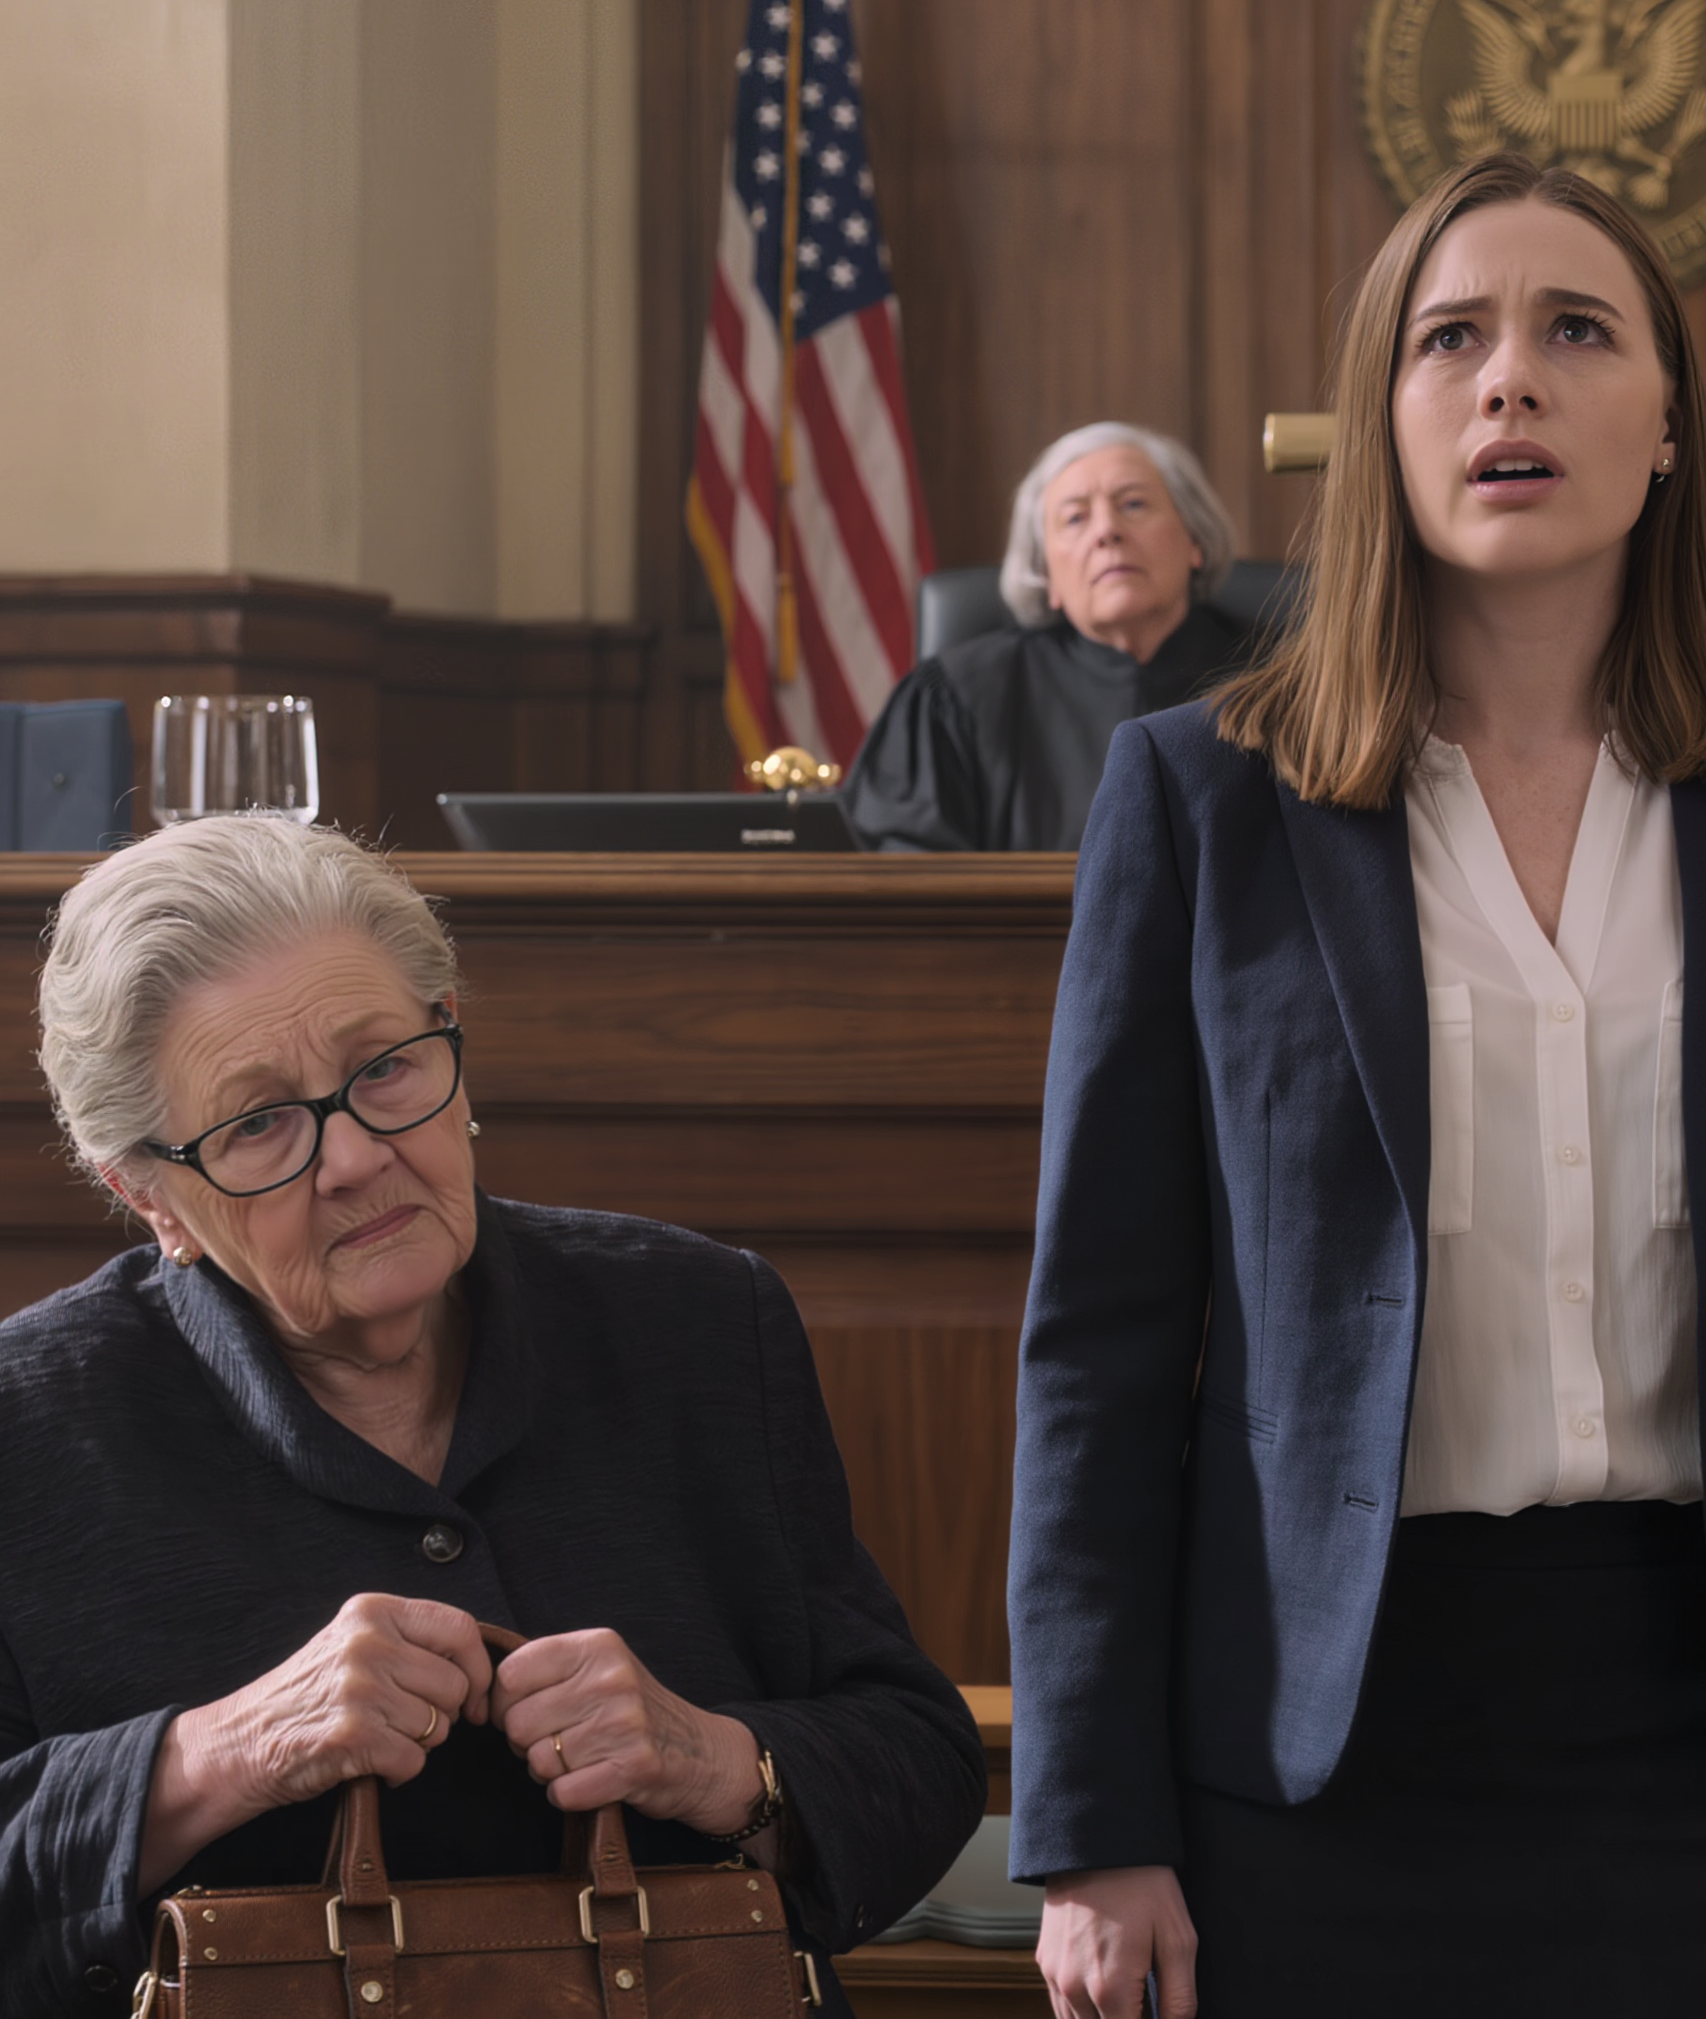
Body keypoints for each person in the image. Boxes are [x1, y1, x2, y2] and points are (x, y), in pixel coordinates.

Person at [1006, 152, 1706, 2019]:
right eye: (1450, 338)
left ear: (1668, 426)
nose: (1509, 382)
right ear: (1381, 423)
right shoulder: (1201, 801)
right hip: (1314, 1767)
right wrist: (1088, 1819)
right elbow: (1100, 1349)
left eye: (1576, 332)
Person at [0, 814, 984, 2017]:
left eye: (384, 1068)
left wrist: (709, 1757)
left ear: (452, 1034)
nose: (354, 1157)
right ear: (149, 1194)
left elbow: (921, 1760)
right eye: (257, 1122)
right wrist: (221, 1755)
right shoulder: (26, 1421)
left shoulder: (701, 1319)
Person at [842, 423, 1252, 851]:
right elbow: (901, 871)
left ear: (1195, 540)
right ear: (1046, 575)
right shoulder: (955, 699)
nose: (1107, 531)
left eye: (1133, 504)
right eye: (1075, 518)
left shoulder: (1275, 676)